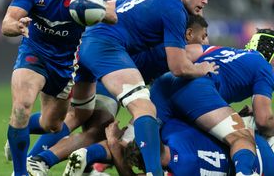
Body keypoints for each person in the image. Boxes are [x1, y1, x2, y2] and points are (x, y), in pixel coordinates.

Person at [66, 0, 218, 176]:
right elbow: (178, 67)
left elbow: (113, 6)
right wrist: (201, 69)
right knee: (144, 108)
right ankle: (153, 172)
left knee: (73, 117)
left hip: (90, 42)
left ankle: (37, 159)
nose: (206, 0)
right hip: (107, 49)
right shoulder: (175, 10)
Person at [24, 14, 210, 176]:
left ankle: (39, 150)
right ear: (189, 34)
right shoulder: (183, 50)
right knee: (102, 131)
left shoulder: (163, 39)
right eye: (203, 36)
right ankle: (42, 156)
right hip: (110, 76)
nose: (205, 42)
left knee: (88, 125)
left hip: (103, 71)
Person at [1, 0, 117, 176]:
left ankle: (17, 129)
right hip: (34, 53)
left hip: (65, 64)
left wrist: (96, 11)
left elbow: (113, 17)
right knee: (21, 106)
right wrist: (18, 26)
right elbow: (6, 24)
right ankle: (20, 172)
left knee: (52, 124)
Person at [148, 28, 274, 175]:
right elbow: (263, 121)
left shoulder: (222, 50)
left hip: (164, 84)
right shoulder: (265, 68)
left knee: (140, 147)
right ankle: (245, 173)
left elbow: (185, 52)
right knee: (242, 137)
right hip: (196, 89)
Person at [82, 119, 274, 176]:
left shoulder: (180, 171)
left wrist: (115, 146)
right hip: (256, 142)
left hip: (265, 169)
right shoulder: (174, 130)